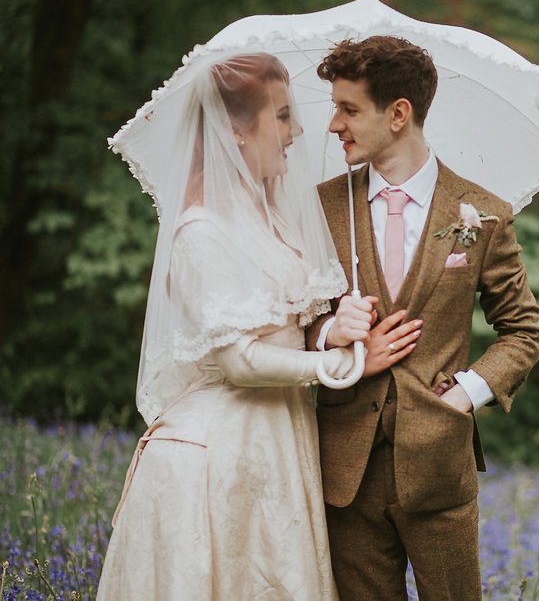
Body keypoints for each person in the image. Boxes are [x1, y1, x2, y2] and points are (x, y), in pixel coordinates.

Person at [98, 53, 372, 600]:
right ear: (235, 131)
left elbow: (289, 323)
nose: (295, 132)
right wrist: (335, 364)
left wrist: (334, 329)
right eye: (282, 117)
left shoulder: (271, 220)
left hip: (274, 444)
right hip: (216, 458)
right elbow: (239, 360)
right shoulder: (200, 231)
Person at [308, 36, 539, 599]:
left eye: (348, 109)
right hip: (345, 469)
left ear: (398, 114)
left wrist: (467, 392)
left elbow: (523, 330)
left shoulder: (482, 214)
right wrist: (332, 338)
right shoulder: (320, 208)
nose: (333, 124)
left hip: (439, 466)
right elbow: (291, 324)